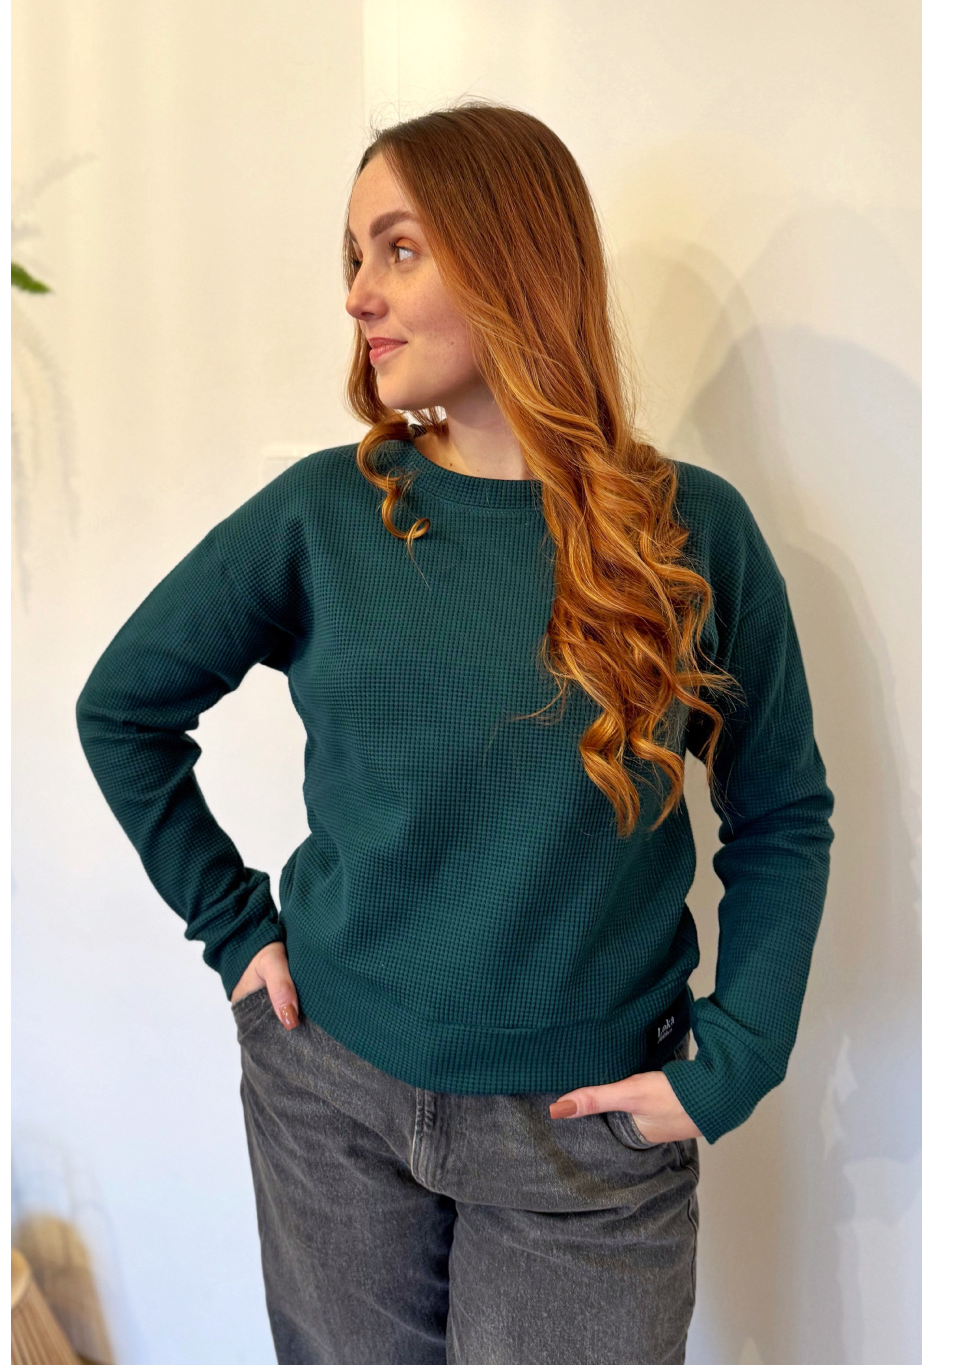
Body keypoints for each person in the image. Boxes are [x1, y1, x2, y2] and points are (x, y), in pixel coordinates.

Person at [76, 101, 834, 1365]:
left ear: (512, 258)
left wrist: (738, 1055)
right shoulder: (326, 514)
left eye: (398, 249)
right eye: (352, 258)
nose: (357, 295)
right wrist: (234, 927)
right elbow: (123, 710)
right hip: (331, 1098)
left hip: (587, 1140)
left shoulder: (689, 534)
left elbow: (781, 814)